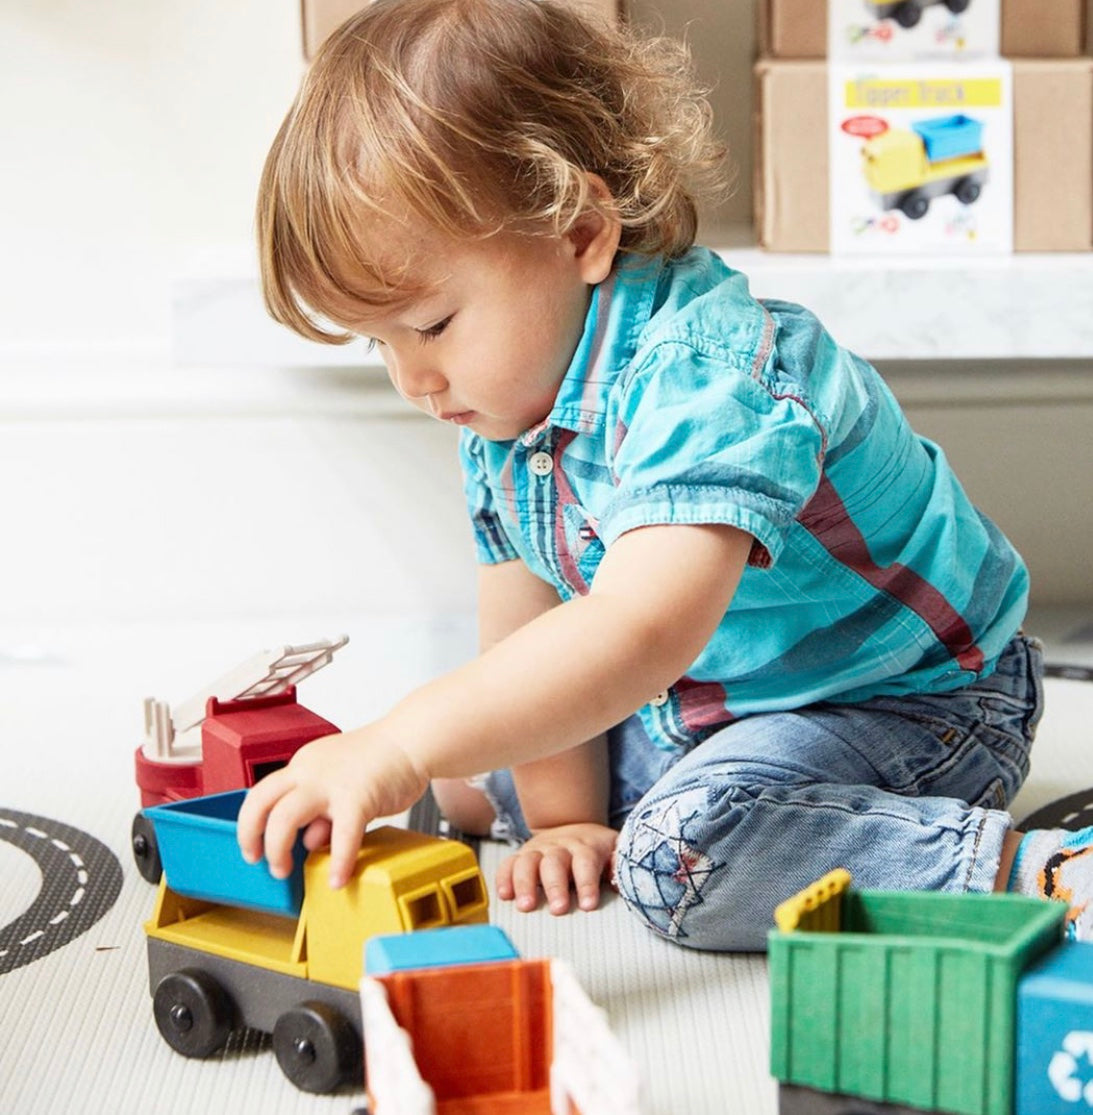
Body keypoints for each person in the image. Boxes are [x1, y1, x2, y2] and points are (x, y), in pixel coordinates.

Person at [237, 0, 1084, 950]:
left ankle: (1038, 874)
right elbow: (532, 618)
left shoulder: (710, 378)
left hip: (910, 702)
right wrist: (562, 823)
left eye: (431, 326)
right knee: (471, 778)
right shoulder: (505, 410)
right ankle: (659, 802)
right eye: (377, 343)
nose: (412, 380)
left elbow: (635, 630)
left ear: (580, 232)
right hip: (716, 700)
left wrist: (397, 739)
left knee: (675, 860)